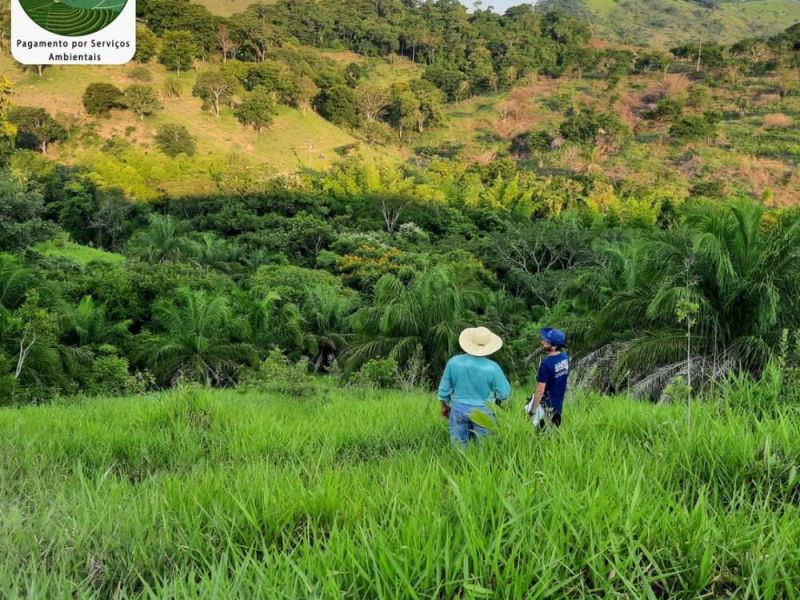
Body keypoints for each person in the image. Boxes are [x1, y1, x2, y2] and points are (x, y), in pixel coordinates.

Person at [438, 326, 511, 446]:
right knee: (485, 447)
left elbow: (443, 390)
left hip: (458, 408)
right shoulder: (493, 367)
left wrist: (444, 406)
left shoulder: (454, 362)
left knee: (458, 446)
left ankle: (458, 464)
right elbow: (504, 393)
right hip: (484, 410)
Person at [527, 327, 569, 429]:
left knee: (541, 438)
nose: (542, 342)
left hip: (546, 407)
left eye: (546, 341)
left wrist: (532, 411)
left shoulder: (546, 364)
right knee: (554, 434)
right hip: (558, 404)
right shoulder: (565, 357)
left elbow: (540, 390)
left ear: (554, 347)